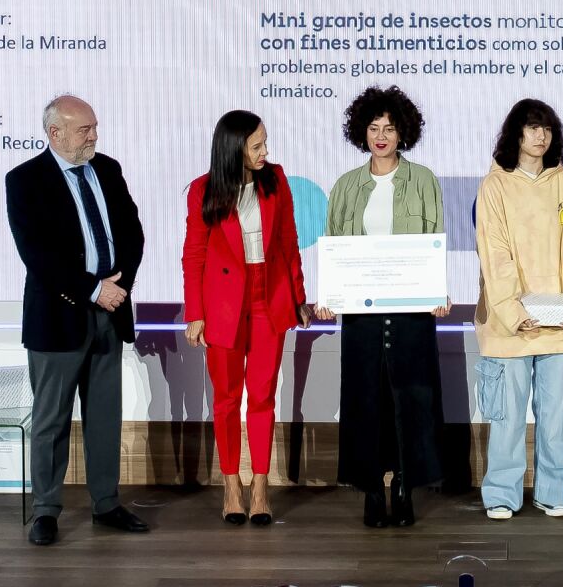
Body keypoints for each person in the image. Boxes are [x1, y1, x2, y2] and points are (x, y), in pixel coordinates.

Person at [5, 95, 148, 546]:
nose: (94, 136)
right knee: (51, 420)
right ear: (56, 133)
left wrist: (118, 285)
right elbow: (38, 255)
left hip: (111, 310)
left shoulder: (107, 168)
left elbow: (131, 229)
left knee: (105, 416)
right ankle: (45, 510)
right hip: (58, 317)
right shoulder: (25, 181)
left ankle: (106, 503)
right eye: (85, 129)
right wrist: (92, 289)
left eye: (94, 127)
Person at [316, 86, 449, 528]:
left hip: (411, 310)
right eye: (373, 128)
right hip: (361, 310)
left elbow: (436, 242)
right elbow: (333, 246)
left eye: (389, 128)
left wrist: (439, 291)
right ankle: (372, 488)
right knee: (364, 399)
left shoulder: (425, 180)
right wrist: (329, 297)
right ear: (361, 131)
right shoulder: (346, 186)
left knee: (411, 399)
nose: (381, 136)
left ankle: (405, 486)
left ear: (403, 132)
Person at [182, 110, 311, 527]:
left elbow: (289, 242)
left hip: (268, 298)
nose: (264, 152)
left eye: (265, 143)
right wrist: (196, 313)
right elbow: (194, 255)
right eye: (256, 146)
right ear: (233, 148)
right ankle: (231, 484)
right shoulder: (203, 189)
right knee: (225, 399)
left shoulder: (276, 180)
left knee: (261, 397)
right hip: (222, 305)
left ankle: (260, 486)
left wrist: (299, 298)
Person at [474, 99, 563, 520]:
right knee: (507, 415)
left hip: (561, 321)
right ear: (516, 134)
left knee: (558, 414)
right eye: (531, 128)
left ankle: (552, 489)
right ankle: (502, 494)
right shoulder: (495, 186)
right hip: (512, 323)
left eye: (546, 128)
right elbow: (495, 252)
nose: (540, 136)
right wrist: (512, 309)